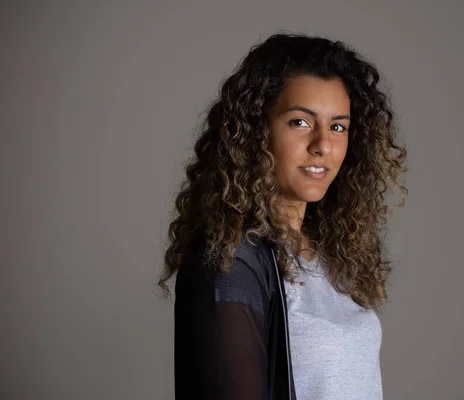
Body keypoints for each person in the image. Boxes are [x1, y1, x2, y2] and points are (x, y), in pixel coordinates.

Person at [158, 32, 407, 400]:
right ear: (259, 131)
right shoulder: (232, 263)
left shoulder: (331, 252)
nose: (323, 144)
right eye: (300, 122)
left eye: (338, 126)